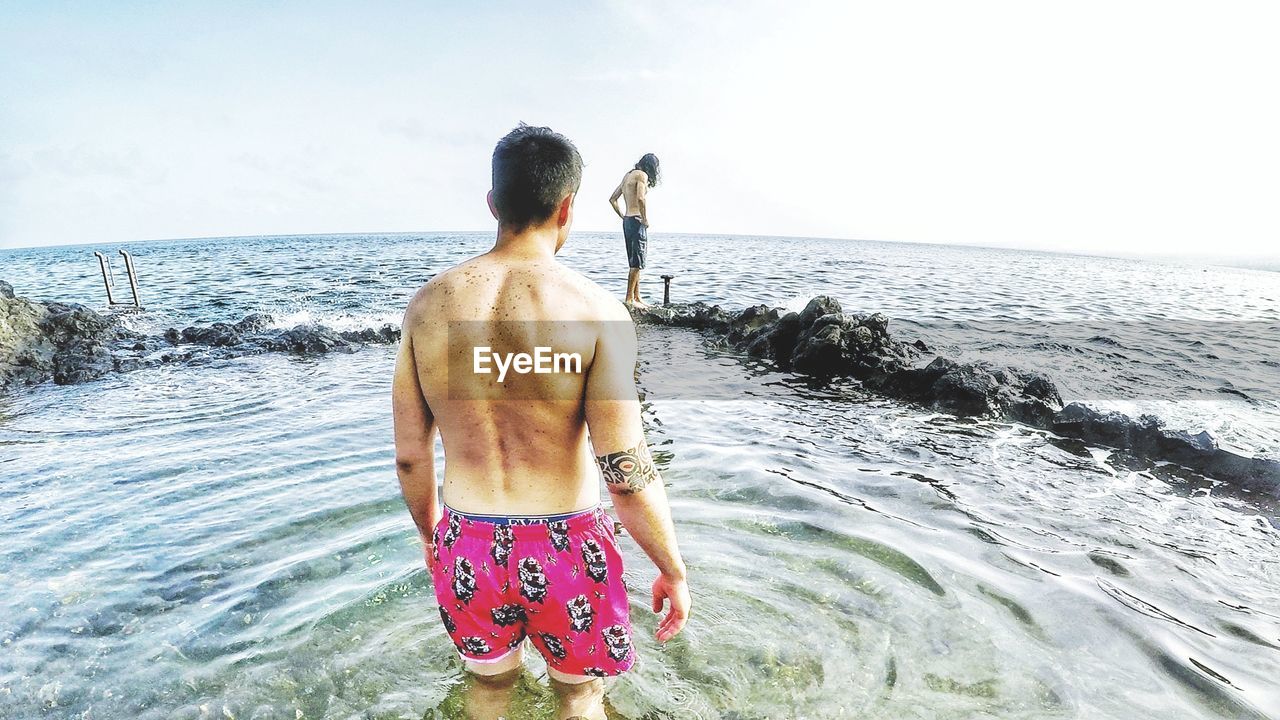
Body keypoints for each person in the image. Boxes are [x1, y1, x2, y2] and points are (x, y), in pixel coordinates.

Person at [392, 125, 689, 720]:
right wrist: (672, 569)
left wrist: (433, 537)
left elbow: (410, 455)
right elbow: (626, 473)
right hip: (568, 546)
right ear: (567, 206)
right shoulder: (596, 311)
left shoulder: (427, 307)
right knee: (579, 695)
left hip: (468, 541)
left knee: (489, 690)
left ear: (492, 203)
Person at [608, 153, 660, 308]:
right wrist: (645, 219)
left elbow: (612, 199)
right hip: (637, 220)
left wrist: (623, 216)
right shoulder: (642, 176)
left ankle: (637, 297)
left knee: (634, 261)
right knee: (637, 262)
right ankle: (630, 299)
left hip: (627, 221)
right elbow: (640, 198)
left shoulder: (628, 175)